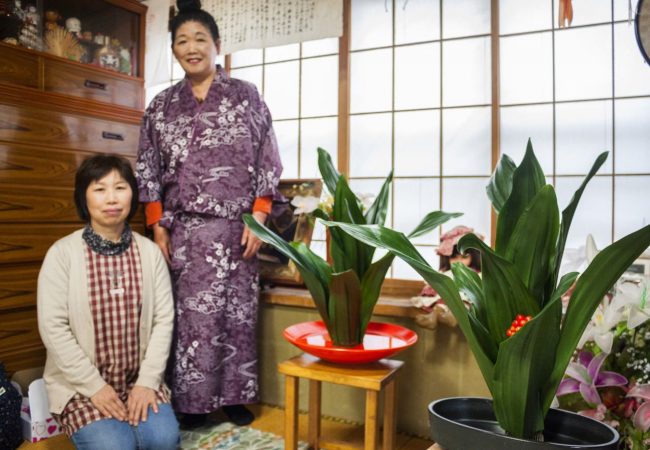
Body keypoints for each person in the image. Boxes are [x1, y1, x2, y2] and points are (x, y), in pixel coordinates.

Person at [135, 0, 282, 427]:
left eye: (201, 38)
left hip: (237, 229)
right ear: (175, 50)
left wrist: (259, 217)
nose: (191, 47)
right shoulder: (161, 106)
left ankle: (234, 397)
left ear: (217, 45)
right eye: (182, 40)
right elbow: (148, 166)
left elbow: (267, 157)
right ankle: (191, 403)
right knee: (189, 320)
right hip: (184, 231)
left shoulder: (245, 96)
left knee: (237, 316)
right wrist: (157, 224)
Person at [37, 155, 179, 450]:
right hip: (81, 387)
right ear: (83, 198)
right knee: (115, 446)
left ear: (132, 194)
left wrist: (147, 381)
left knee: (163, 440)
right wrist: (95, 388)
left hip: (139, 380)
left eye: (120, 187)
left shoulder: (150, 253)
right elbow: (54, 329)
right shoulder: (62, 254)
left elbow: (163, 320)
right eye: (99, 189)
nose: (111, 199)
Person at [410, 225, 482, 329]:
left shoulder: (475, 273)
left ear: (474, 256)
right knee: (443, 299)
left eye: (464, 257)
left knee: (464, 302)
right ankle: (433, 316)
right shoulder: (448, 273)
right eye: (453, 258)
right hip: (449, 296)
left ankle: (454, 316)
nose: (459, 262)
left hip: (465, 297)